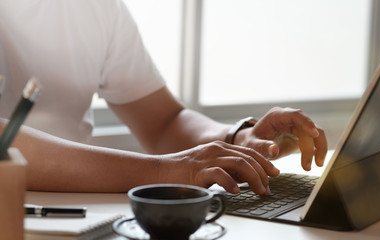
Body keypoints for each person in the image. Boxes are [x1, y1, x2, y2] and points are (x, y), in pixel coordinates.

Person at [0, 0, 327, 195]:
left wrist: (238, 139)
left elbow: (163, 122)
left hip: (83, 217)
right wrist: (165, 171)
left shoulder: (96, 8)